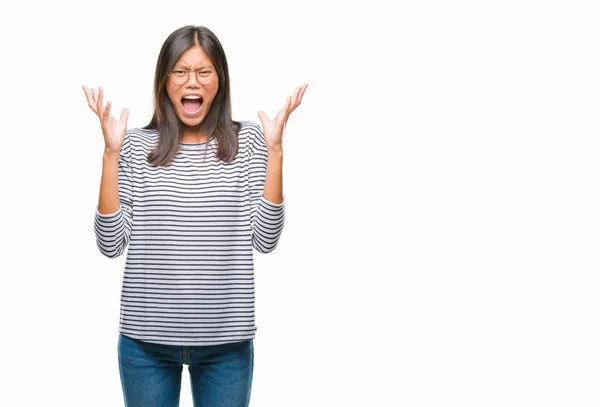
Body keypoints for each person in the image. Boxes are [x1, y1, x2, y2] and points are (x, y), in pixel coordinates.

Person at [82, 25, 307, 407]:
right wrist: (110, 155)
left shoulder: (250, 142)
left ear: (220, 80)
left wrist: (276, 152)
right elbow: (110, 244)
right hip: (145, 344)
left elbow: (266, 240)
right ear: (164, 80)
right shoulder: (135, 145)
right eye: (181, 71)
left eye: (204, 72)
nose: (193, 82)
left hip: (226, 347)